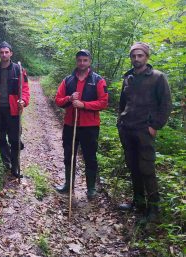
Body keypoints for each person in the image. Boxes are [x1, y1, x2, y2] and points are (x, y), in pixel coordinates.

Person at [117, 42, 172, 221]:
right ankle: (139, 203)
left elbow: (165, 104)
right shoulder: (128, 78)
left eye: (140, 55)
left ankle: (154, 210)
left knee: (147, 168)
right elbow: (123, 103)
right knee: (133, 167)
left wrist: (155, 125)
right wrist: (120, 121)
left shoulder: (158, 77)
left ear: (147, 57)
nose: (136, 59)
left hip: (144, 130)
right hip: (127, 129)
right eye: (133, 56)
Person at [55, 50, 108, 199]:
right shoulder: (68, 80)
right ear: (76, 61)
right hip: (70, 124)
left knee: (90, 157)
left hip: (90, 126)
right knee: (68, 155)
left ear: (90, 61)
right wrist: (69, 98)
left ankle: (91, 189)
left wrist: (83, 105)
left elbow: (103, 103)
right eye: (80, 60)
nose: (82, 63)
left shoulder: (98, 80)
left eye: (85, 60)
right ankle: (68, 185)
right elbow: (58, 100)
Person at [0, 41, 30, 178]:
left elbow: (25, 89)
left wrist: (24, 101)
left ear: (11, 53)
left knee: (14, 139)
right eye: (1, 52)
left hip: (13, 109)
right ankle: (7, 160)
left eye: (6, 52)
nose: (4, 54)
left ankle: (15, 167)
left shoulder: (19, 70)